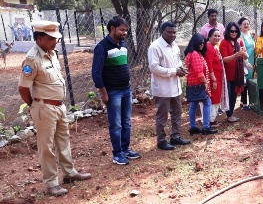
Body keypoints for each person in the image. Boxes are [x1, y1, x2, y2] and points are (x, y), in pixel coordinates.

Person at [18, 20, 91, 196]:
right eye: (51, 39)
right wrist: (34, 105)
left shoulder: (51, 53)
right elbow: (23, 88)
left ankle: (69, 173)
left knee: (63, 141)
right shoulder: (32, 59)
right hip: (44, 108)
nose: (55, 41)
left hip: (59, 107)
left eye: (56, 38)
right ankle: (51, 183)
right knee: (46, 146)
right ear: (40, 38)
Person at [92, 16, 141, 165]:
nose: (124, 32)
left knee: (126, 122)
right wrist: (103, 93)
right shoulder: (102, 47)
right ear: (112, 28)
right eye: (121, 29)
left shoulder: (123, 46)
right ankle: (117, 153)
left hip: (126, 90)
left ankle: (126, 149)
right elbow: (96, 73)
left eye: (126, 30)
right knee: (116, 124)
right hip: (113, 92)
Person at [148, 21, 191, 150]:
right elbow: (154, 67)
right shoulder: (155, 47)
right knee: (162, 115)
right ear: (162, 31)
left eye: (174, 32)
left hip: (175, 86)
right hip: (162, 88)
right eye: (170, 32)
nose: (173, 35)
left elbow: (177, 63)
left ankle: (175, 137)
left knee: (177, 112)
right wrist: (173, 72)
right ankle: (161, 141)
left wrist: (181, 69)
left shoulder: (175, 46)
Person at [184, 34, 218, 135]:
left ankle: (193, 126)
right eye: (200, 43)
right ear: (195, 42)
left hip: (192, 84)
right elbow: (199, 72)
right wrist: (205, 83)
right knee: (207, 102)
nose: (202, 45)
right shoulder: (195, 54)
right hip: (199, 84)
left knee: (193, 104)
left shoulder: (190, 53)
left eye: (203, 43)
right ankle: (206, 127)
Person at [219, 22, 248, 123]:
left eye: (236, 31)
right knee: (228, 94)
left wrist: (243, 54)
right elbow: (224, 59)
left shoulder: (239, 42)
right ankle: (229, 114)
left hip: (237, 74)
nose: (234, 33)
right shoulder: (224, 43)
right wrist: (235, 55)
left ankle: (230, 114)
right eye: (232, 31)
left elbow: (246, 56)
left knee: (234, 94)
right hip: (227, 74)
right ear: (228, 31)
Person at [204, 28, 229, 127]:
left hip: (217, 77)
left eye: (219, 36)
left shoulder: (213, 47)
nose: (217, 38)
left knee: (215, 97)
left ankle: (210, 119)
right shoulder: (209, 47)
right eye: (215, 35)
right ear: (209, 36)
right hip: (213, 78)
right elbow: (209, 64)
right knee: (214, 98)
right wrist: (213, 80)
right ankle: (211, 120)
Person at [237, 17, 255, 110]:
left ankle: (244, 102)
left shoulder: (250, 34)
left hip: (251, 60)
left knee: (249, 81)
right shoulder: (240, 36)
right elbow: (242, 50)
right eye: (244, 24)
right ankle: (244, 103)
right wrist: (246, 62)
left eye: (248, 23)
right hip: (244, 61)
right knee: (245, 81)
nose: (246, 25)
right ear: (240, 26)